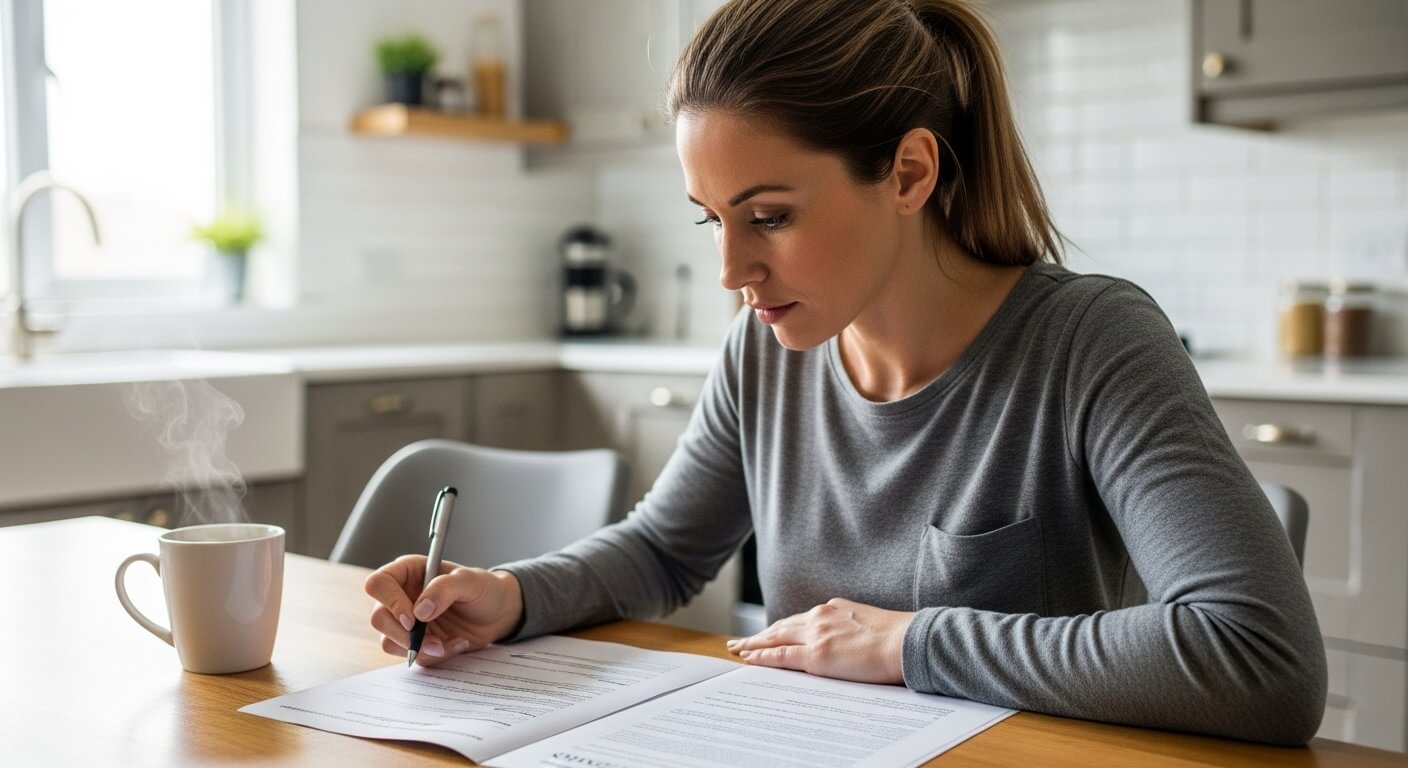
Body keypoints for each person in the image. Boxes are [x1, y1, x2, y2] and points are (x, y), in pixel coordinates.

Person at [364, 0, 1326, 746]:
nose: (732, 271)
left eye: (770, 216)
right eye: (712, 219)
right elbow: (665, 551)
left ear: (910, 173)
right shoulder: (766, 345)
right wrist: (516, 596)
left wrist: (909, 642)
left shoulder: (1091, 343)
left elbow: (1260, 657)